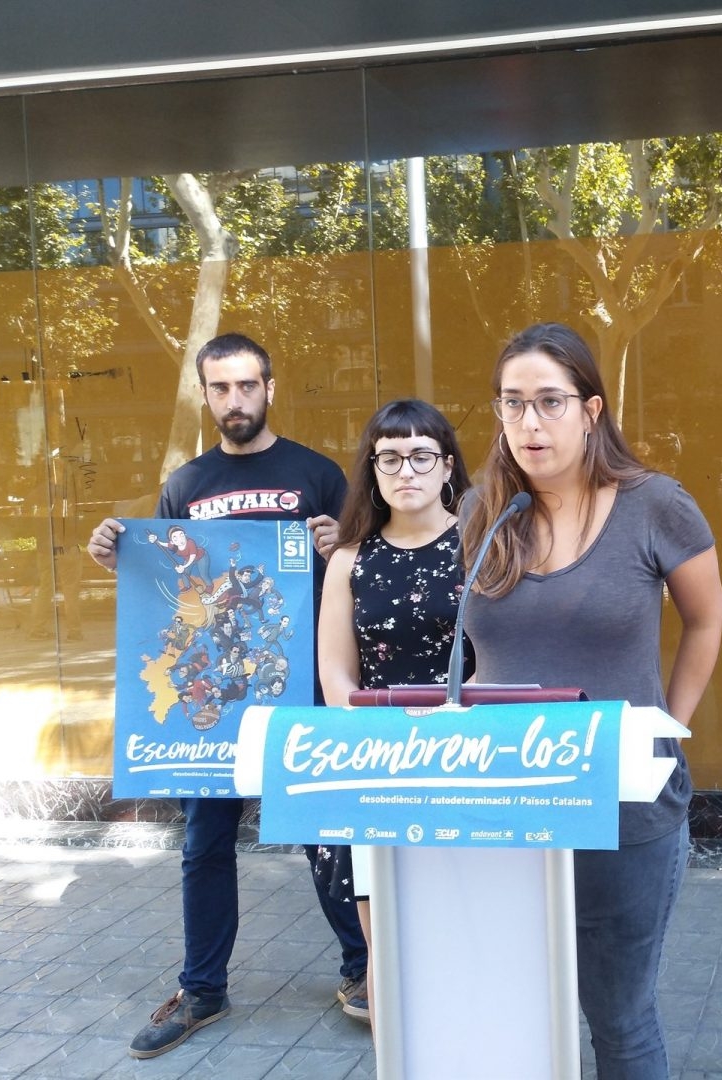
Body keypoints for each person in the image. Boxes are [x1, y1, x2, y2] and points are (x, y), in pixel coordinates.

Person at [86, 332, 369, 1058]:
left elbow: (361, 570)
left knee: (323, 833)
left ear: (270, 387)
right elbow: (169, 588)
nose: (235, 400)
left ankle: (365, 970)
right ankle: (203, 987)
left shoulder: (316, 472)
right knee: (204, 841)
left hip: (295, 685)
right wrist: (118, 553)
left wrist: (343, 542)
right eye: (221, 388)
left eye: (248, 385)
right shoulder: (185, 485)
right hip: (214, 698)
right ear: (205, 394)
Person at [460, 322, 722, 1078]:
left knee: (619, 1015)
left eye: (549, 401)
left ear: (592, 409)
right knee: (514, 1003)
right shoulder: (486, 509)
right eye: (512, 405)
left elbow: (706, 620)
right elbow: (482, 651)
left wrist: (665, 725)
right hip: (504, 798)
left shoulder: (656, 505)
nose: (529, 423)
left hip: (623, 805)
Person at [314, 398, 472, 1036]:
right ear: (372, 470)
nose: (405, 470)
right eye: (389, 457)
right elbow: (336, 677)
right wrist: (382, 742)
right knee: (387, 940)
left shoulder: (483, 544)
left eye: (421, 455)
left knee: (464, 922)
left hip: (466, 757)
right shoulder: (350, 560)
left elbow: (499, 656)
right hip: (380, 763)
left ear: (447, 467)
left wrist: (450, 733)